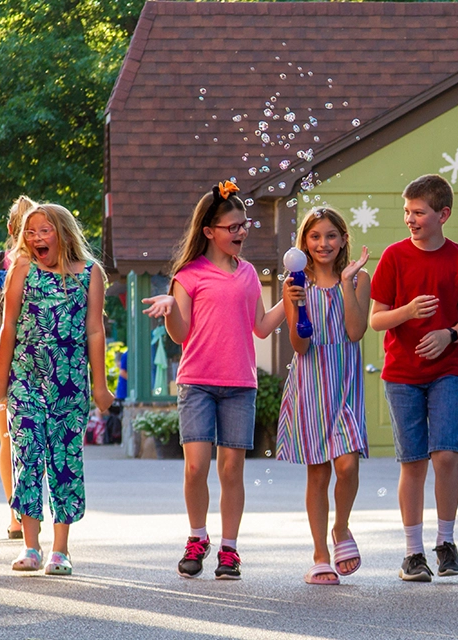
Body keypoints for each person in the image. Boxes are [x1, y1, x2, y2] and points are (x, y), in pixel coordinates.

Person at [142, 180, 285, 580]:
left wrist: (288, 304)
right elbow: (180, 333)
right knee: (195, 467)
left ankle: (230, 549)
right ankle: (197, 537)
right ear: (209, 231)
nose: (241, 232)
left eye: (244, 225)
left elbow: (260, 327)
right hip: (198, 383)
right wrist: (171, 307)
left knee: (231, 470)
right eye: (232, 227)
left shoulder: (249, 274)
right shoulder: (189, 275)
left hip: (240, 383)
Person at [0, 203, 114, 575]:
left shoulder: (91, 274)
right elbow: (8, 325)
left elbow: (95, 330)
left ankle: (61, 550)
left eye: (44, 230)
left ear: (62, 233)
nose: (36, 238)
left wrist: (100, 385)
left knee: (65, 463)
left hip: (70, 384)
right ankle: (31, 545)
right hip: (26, 380)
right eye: (30, 232)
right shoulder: (22, 270)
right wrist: (0, 377)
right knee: (26, 457)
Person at [369, 174, 458, 582]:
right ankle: (412, 553)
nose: (410, 220)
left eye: (418, 212)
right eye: (407, 212)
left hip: (447, 370)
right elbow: (377, 319)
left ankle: (445, 543)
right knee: (412, 462)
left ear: (443, 214)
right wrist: (408, 312)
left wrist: (448, 334)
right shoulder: (395, 258)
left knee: (446, 454)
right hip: (401, 374)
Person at [276, 207, 371, 586]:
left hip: (344, 381)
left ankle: (341, 528)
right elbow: (299, 346)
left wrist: (347, 282)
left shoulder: (359, 278)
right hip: (311, 383)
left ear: (344, 239)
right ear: (304, 243)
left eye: (331, 235)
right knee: (318, 472)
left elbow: (355, 331)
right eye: (315, 237)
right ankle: (319, 553)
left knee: (347, 464)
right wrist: (295, 303)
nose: (323, 243)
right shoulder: (295, 284)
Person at [0, 195, 36, 540]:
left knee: (9, 437)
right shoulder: (42, 261)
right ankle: (21, 513)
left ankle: (17, 515)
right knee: (20, 437)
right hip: (21, 360)